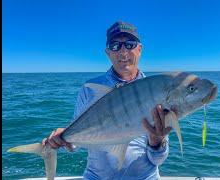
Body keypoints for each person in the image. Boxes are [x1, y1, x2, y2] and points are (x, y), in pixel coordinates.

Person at [42, 21, 176, 180]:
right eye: (115, 46)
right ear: (108, 52)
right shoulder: (90, 88)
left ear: (139, 50)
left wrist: (156, 141)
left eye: (130, 44)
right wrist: (64, 138)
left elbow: (158, 159)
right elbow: (77, 141)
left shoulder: (154, 91)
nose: (123, 52)